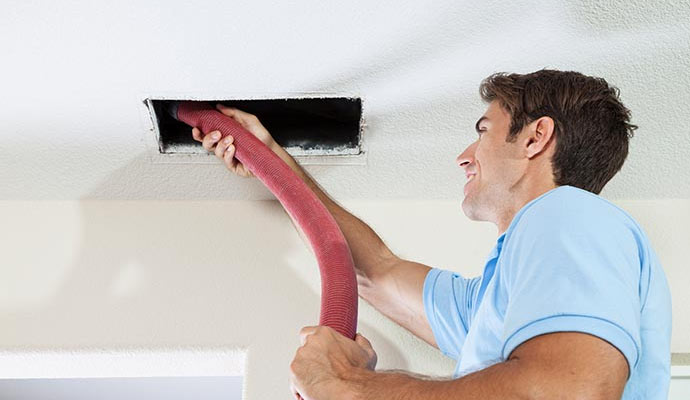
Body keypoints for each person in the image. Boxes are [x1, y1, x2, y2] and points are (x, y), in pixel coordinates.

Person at [192, 69, 671, 400]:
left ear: (535, 137)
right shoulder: (498, 302)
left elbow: (568, 392)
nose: (464, 156)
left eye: (484, 130)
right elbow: (375, 272)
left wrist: (349, 385)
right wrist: (274, 161)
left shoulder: (568, 215)